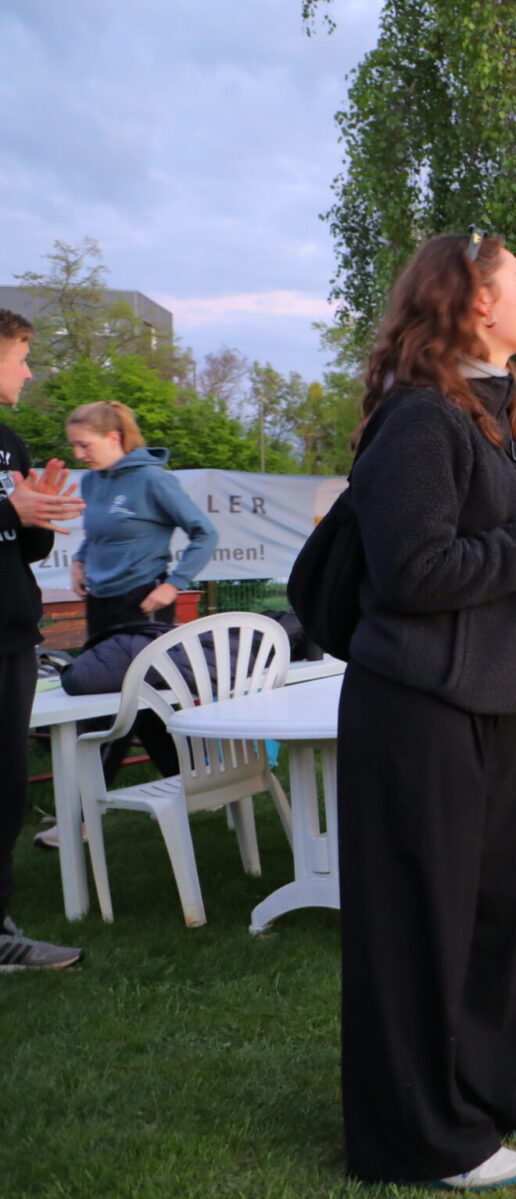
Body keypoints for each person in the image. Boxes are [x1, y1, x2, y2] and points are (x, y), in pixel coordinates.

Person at [336, 233, 516, 1190]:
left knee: (500, 916)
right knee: (423, 926)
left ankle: (495, 1086)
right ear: (473, 306)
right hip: (419, 706)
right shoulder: (421, 419)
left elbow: (510, 555)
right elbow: (414, 572)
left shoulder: (506, 416)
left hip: (501, 699)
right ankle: (422, 1134)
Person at [67, 401, 218, 781]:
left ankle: (84, 810)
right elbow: (97, 531)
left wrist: (173, 585)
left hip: (143, 605)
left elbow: (205, 533)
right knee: (141, 706)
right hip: (100, 603)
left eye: (85, 445)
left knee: (117, 704)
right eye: (74, 445)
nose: (78, 454)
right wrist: (80, 560)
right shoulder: (91, 479)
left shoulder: (153, 480)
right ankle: (195, 782)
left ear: (113, 438)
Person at [0, 307, 86, 971]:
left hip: (13, 635)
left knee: (6, 789)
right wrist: (11, 509)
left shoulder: (10, 444)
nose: (29, 372)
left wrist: (40, 518)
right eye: (21, 356)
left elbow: (19, 546)